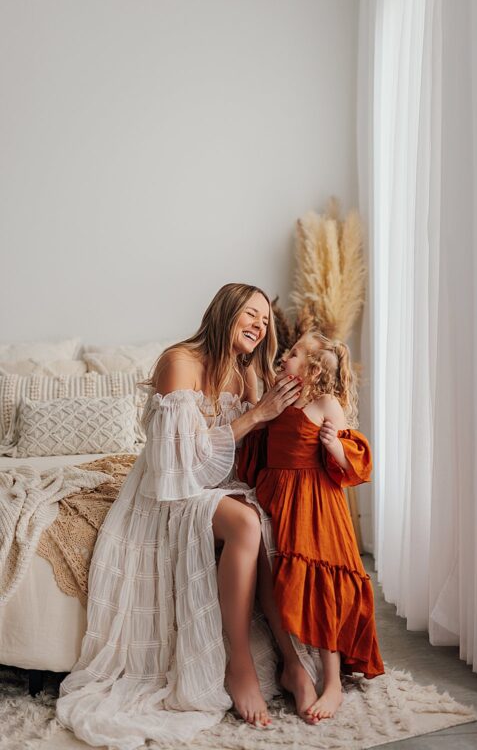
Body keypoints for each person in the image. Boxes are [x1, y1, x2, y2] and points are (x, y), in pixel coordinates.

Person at [57, 283, 306, 748]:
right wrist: (256, 416)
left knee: (269, 517)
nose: (260, 324)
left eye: (266, 320)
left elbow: (248, 454)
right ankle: (237, 663)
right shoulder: (180, 363)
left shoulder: (243, 370)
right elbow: (180, 467)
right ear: (226, 311)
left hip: (212, 488)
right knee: (246, 523)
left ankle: (293, 660)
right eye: (251, 314)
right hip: (167, 493)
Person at [237, 330, 382, 725]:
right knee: (282, 581)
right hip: (276, 495)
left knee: (322, 586)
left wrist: (334, 445)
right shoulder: (280, 397)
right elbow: (257, 436)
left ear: (315, 369)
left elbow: (352, 458)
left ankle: (332, 681)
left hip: (315, 503)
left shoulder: (325, 402)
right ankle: (293, 669)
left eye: (296, 354)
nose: (286, 356)